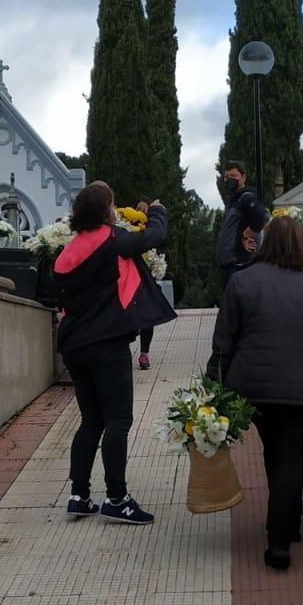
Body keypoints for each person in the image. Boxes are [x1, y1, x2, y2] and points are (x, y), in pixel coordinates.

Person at [207, 214, 303, 571]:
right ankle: (281, 535)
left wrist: (213, 382)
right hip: (300, 388)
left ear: (265, 244)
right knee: (292, 455)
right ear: (301, 244)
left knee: (274, 451)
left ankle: (286, 524)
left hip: (255, 388)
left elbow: (225, 338)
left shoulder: (242, 281)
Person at [53, 181, 176, 524]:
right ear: (105, 210)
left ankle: (79, 495)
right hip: (107, 344)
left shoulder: (67, 252)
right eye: (112, 203)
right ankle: (117, 498)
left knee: (90, 421)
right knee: (118, 421)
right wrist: (157, 211)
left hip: (74, 346)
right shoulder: (112, 240)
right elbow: (154, 236)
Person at [215, 160, 270, 292]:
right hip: (229, 263)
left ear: (243, 177)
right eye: (226, 177)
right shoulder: (233, 200)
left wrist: (247, 234)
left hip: (240, 263)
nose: (229, 180)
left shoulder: (246, 197)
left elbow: (262, 215)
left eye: (233, 176)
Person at [134, 198, 157, 370]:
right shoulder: (129, 231)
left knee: (148, 318)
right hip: (132, 280)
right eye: (139, 209)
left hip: (147, 279)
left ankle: (144, 353)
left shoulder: (152, 232)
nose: (142, 212)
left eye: (145, 210)